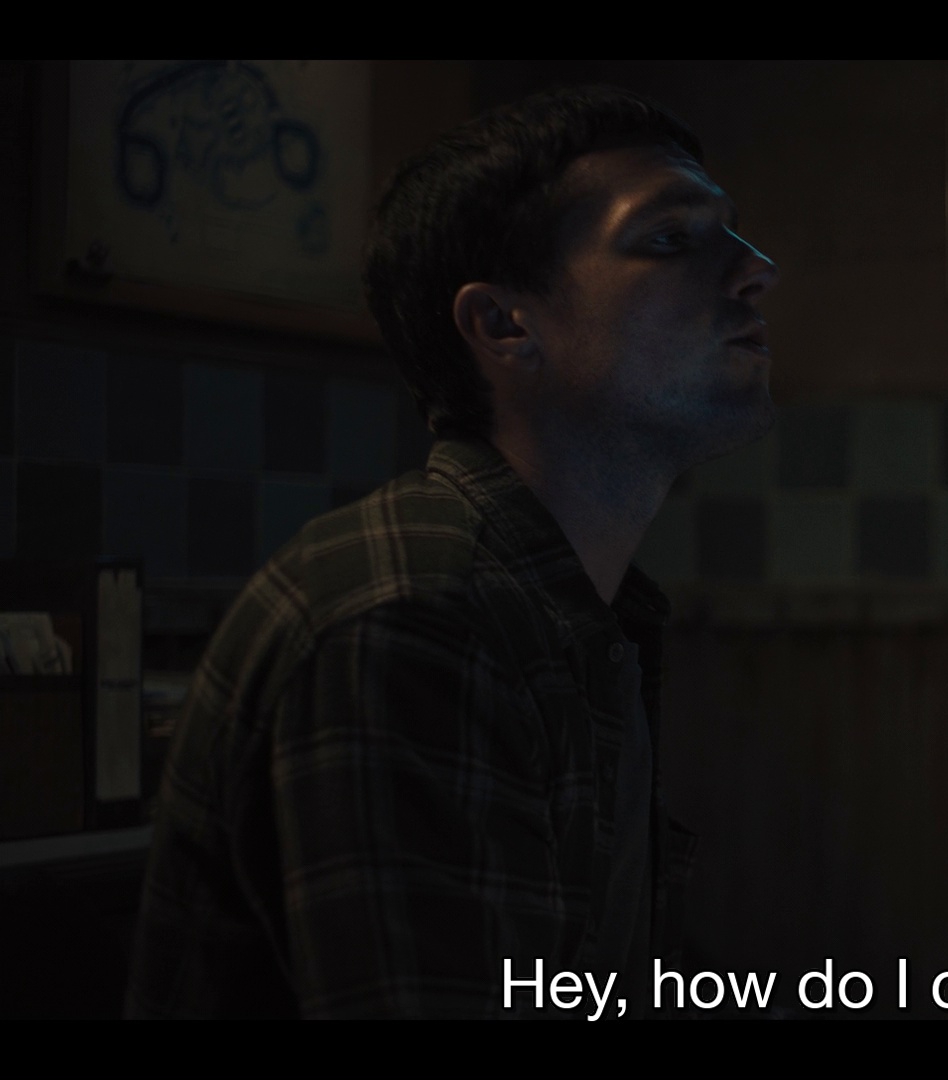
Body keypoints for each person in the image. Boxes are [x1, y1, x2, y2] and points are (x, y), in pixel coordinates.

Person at [126, 85, 778, 1018]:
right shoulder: (414, 617)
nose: (757, 269)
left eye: (735, 231)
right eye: (671, 238)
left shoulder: (574, 613)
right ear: (505, 326)